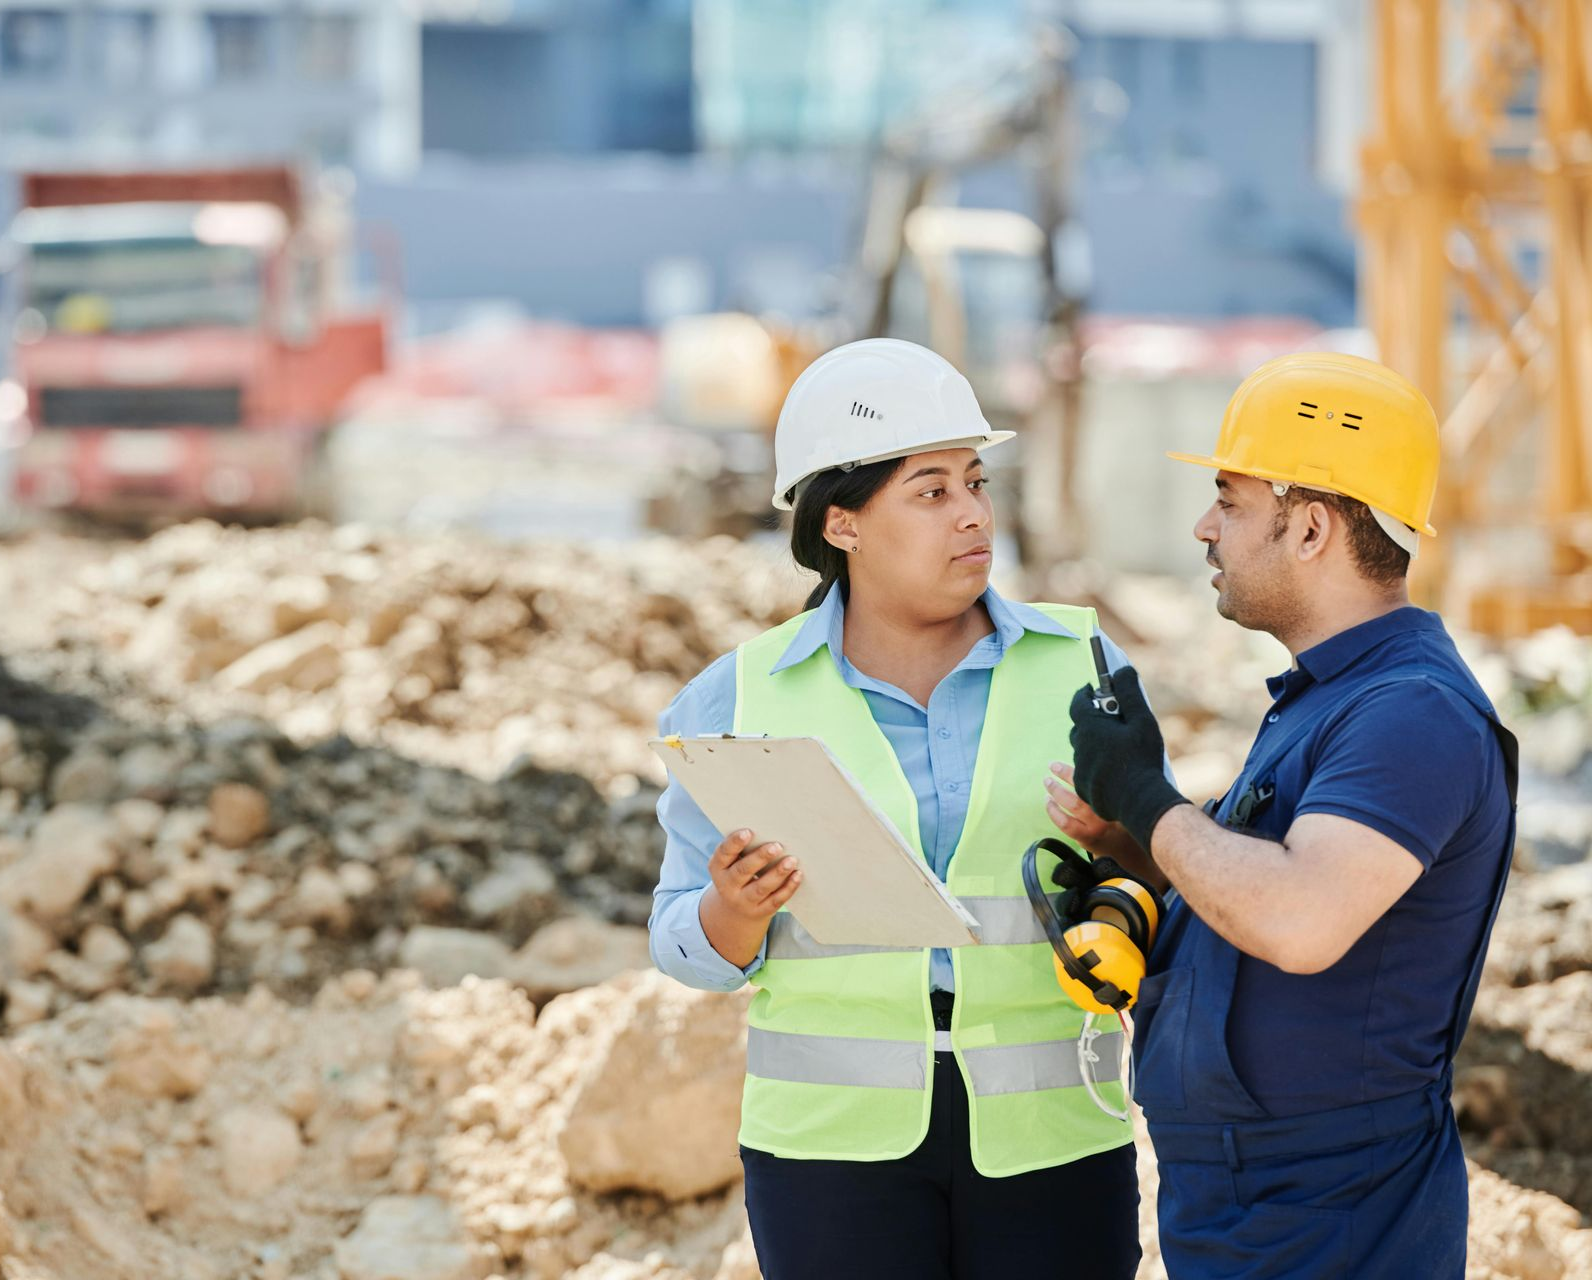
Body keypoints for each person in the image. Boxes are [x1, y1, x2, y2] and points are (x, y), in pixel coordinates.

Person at [649, 338, 1143, 1280]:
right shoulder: (737, 699)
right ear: (843, 523)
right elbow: (678, 940)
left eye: (975, 481)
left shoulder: (1085, 667)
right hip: (831, 1159)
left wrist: (1122, 841)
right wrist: (735, 911)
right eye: (930, 492)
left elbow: (1174, 872)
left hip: (1054, 1137)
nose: (973, 516)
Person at [1055, 352, 1518, 1279]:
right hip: (1254, 1204)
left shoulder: (1412, 715)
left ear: (1310, 527)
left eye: (1229, 500)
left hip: (1336, 1216)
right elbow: (1263, 894)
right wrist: (1139, 853)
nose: (1203, 527)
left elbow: (1302, 920)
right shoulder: (1331, 700)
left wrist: (1149, 798)